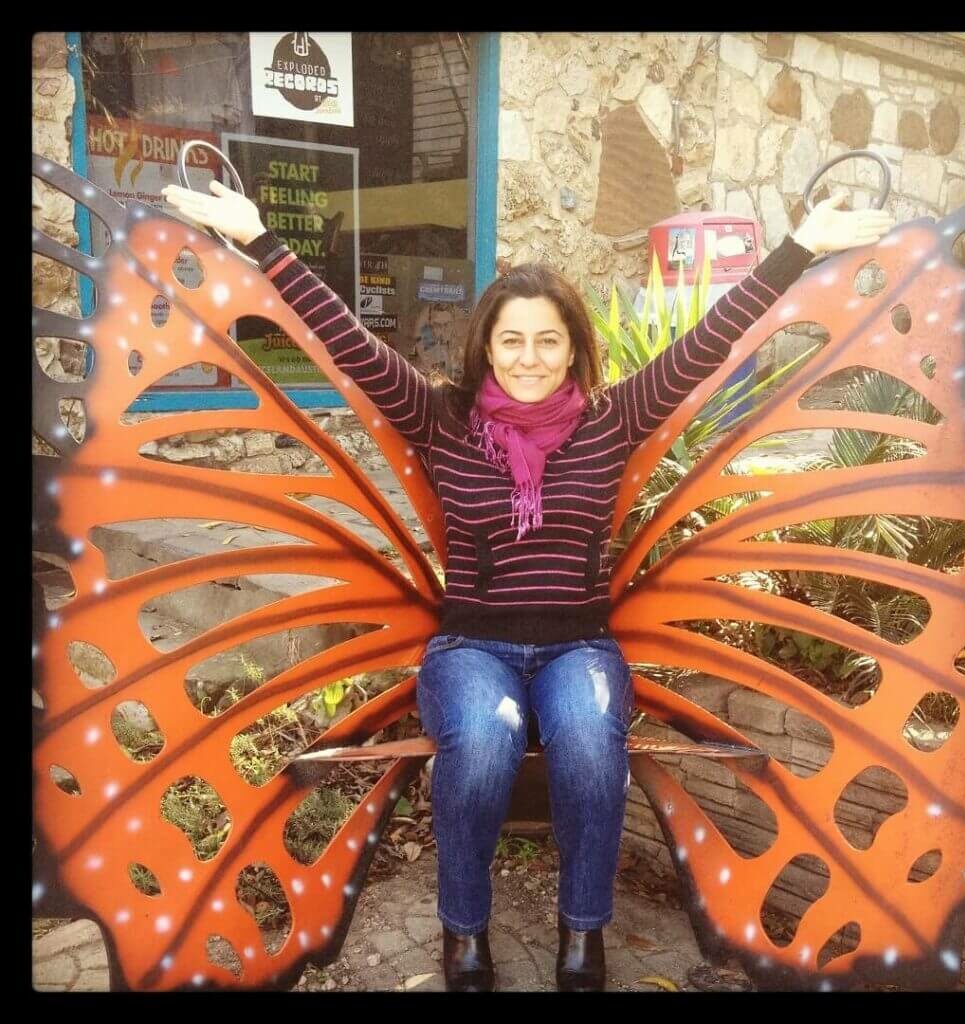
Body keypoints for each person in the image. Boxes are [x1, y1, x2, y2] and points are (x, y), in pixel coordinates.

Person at [162, 180, 894, 992]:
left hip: (579, 644)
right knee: (480, 740)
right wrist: (261, 239)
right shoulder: (441, 416)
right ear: (486, 346)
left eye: (548, 342)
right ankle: (462, 932)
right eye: (512, 341)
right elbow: (344, 343)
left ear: (575, 349)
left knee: (588, 746)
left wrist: (800, 247)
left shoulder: (611, 418)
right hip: (471, 644)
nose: (529, 359)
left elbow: (710, 342)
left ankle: (583, 935)